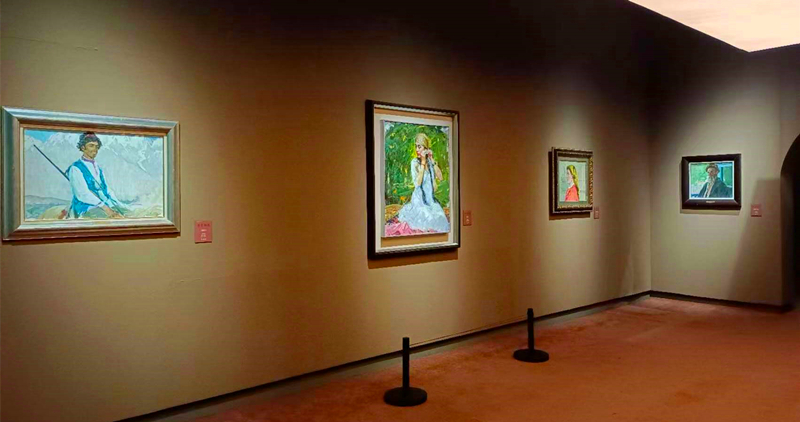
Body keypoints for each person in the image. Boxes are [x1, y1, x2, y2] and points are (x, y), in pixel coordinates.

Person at [385, 133, 450, 236]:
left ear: (425, 148)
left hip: (430, 200)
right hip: (419, 201)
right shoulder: (415, 162)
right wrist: (423, 163)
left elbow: (440, 177)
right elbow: (417, 183)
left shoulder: (430, 162)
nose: (417, 149)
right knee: (427, 218)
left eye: (419, 146)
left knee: (440, 219)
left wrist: (432, 159)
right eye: (416, 146)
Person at [65, 132, 125, 219]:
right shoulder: (75, 168)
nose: (95, 149)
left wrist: (117, 204)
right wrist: (105, 208)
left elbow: (107, 189)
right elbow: (82, 194)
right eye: (91, 146)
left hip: (103, 203)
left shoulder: (98, 168)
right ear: (83, 147)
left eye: (97, 146)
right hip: (85, 207)